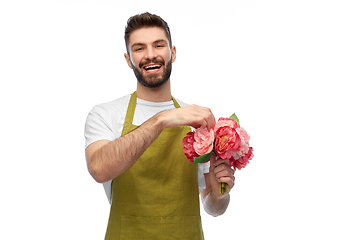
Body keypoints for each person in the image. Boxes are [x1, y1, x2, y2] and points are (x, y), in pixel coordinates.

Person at [84, 12, 235, 240]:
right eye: (139, 48)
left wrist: (219, 195)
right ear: (128, 60)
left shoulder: (197, 121)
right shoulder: (106, 114)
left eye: (158, 45)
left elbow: (213, 207)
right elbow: (99, 168)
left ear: (172, 53)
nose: (151, 55)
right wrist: (162, 119)